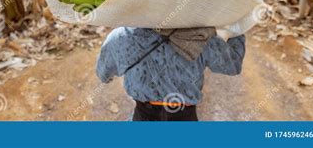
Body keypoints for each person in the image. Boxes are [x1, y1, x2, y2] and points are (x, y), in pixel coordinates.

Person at [96, 27, 246, 121]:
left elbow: (103, 74)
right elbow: (233, 66)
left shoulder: (121, 36)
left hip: (143, 116)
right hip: (185, 117)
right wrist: (237, 28)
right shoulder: (200, 37)